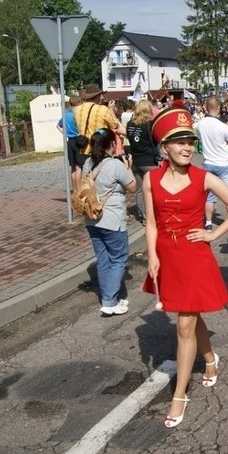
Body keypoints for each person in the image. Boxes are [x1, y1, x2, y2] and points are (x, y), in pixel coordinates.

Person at [141, 107, 228, 429]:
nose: (187, 147)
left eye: (190, 141)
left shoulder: (204, 178)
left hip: (194, 256)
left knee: (184, 324)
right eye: (179, 142)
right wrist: (152, 255)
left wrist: (214, 233)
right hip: (167, 256)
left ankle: (179, 395)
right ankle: (211, 358)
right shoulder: (151, 178)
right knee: (189, 314)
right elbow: (150, 223)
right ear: (165, 148)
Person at [82, 128, 136, 316]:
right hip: (112, 219)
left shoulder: (88, 163)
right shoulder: (115, 165)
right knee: (119, 259)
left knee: (103, 260)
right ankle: (110, 301)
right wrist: (128, 165)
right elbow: (132, 187)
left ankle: (108, 298)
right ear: (112, 144)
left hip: (92, 219)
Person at [195, 96, 228, 230]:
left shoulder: (200, 124)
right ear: (219, 108)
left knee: (210, 195)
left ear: (206, 108)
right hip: (224, 163)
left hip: (208, 162)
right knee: (227, 194)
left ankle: (208, 223)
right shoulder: (223, 126)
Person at [126, 99, 160, 224]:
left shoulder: (130, 124)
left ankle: (144, 216)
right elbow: (156, 141)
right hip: (149, 161)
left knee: (140, 190)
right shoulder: (150, 124)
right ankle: (153, 216)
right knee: (153, 190)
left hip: (136, 160)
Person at [73, 83, 125, 159]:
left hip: (84, 147)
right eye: (101, 95)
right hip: (100, 148)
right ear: (97, 96)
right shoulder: (102, 109)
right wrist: (111, 110)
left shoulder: (77, 110)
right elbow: (114, 125)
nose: (102, 97)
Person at [57, 95, 82, 190]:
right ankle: (79, 189)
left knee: (73, 168)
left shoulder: (65, 114)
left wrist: (66, 133)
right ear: (79, 103)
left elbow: (58, 126)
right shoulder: (78, 114)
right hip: (78, 141)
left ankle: (74, 190)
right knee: (79, 167)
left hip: (69, 142)